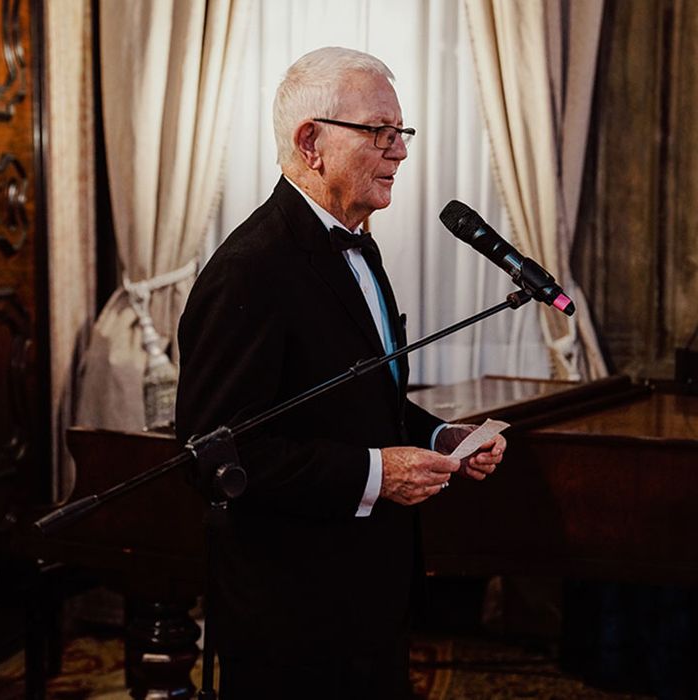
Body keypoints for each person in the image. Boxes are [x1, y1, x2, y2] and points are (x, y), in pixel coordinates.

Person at [175, 46, 506, 700]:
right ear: (311, 142)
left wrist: (439, 438)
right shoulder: (249, 270)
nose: (400, 151)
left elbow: (363, 401)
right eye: (380, 132)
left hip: (369, 592)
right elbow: (215, 453)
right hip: (291, 607)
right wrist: (380, 473)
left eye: (400, 133)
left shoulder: (358, 245)